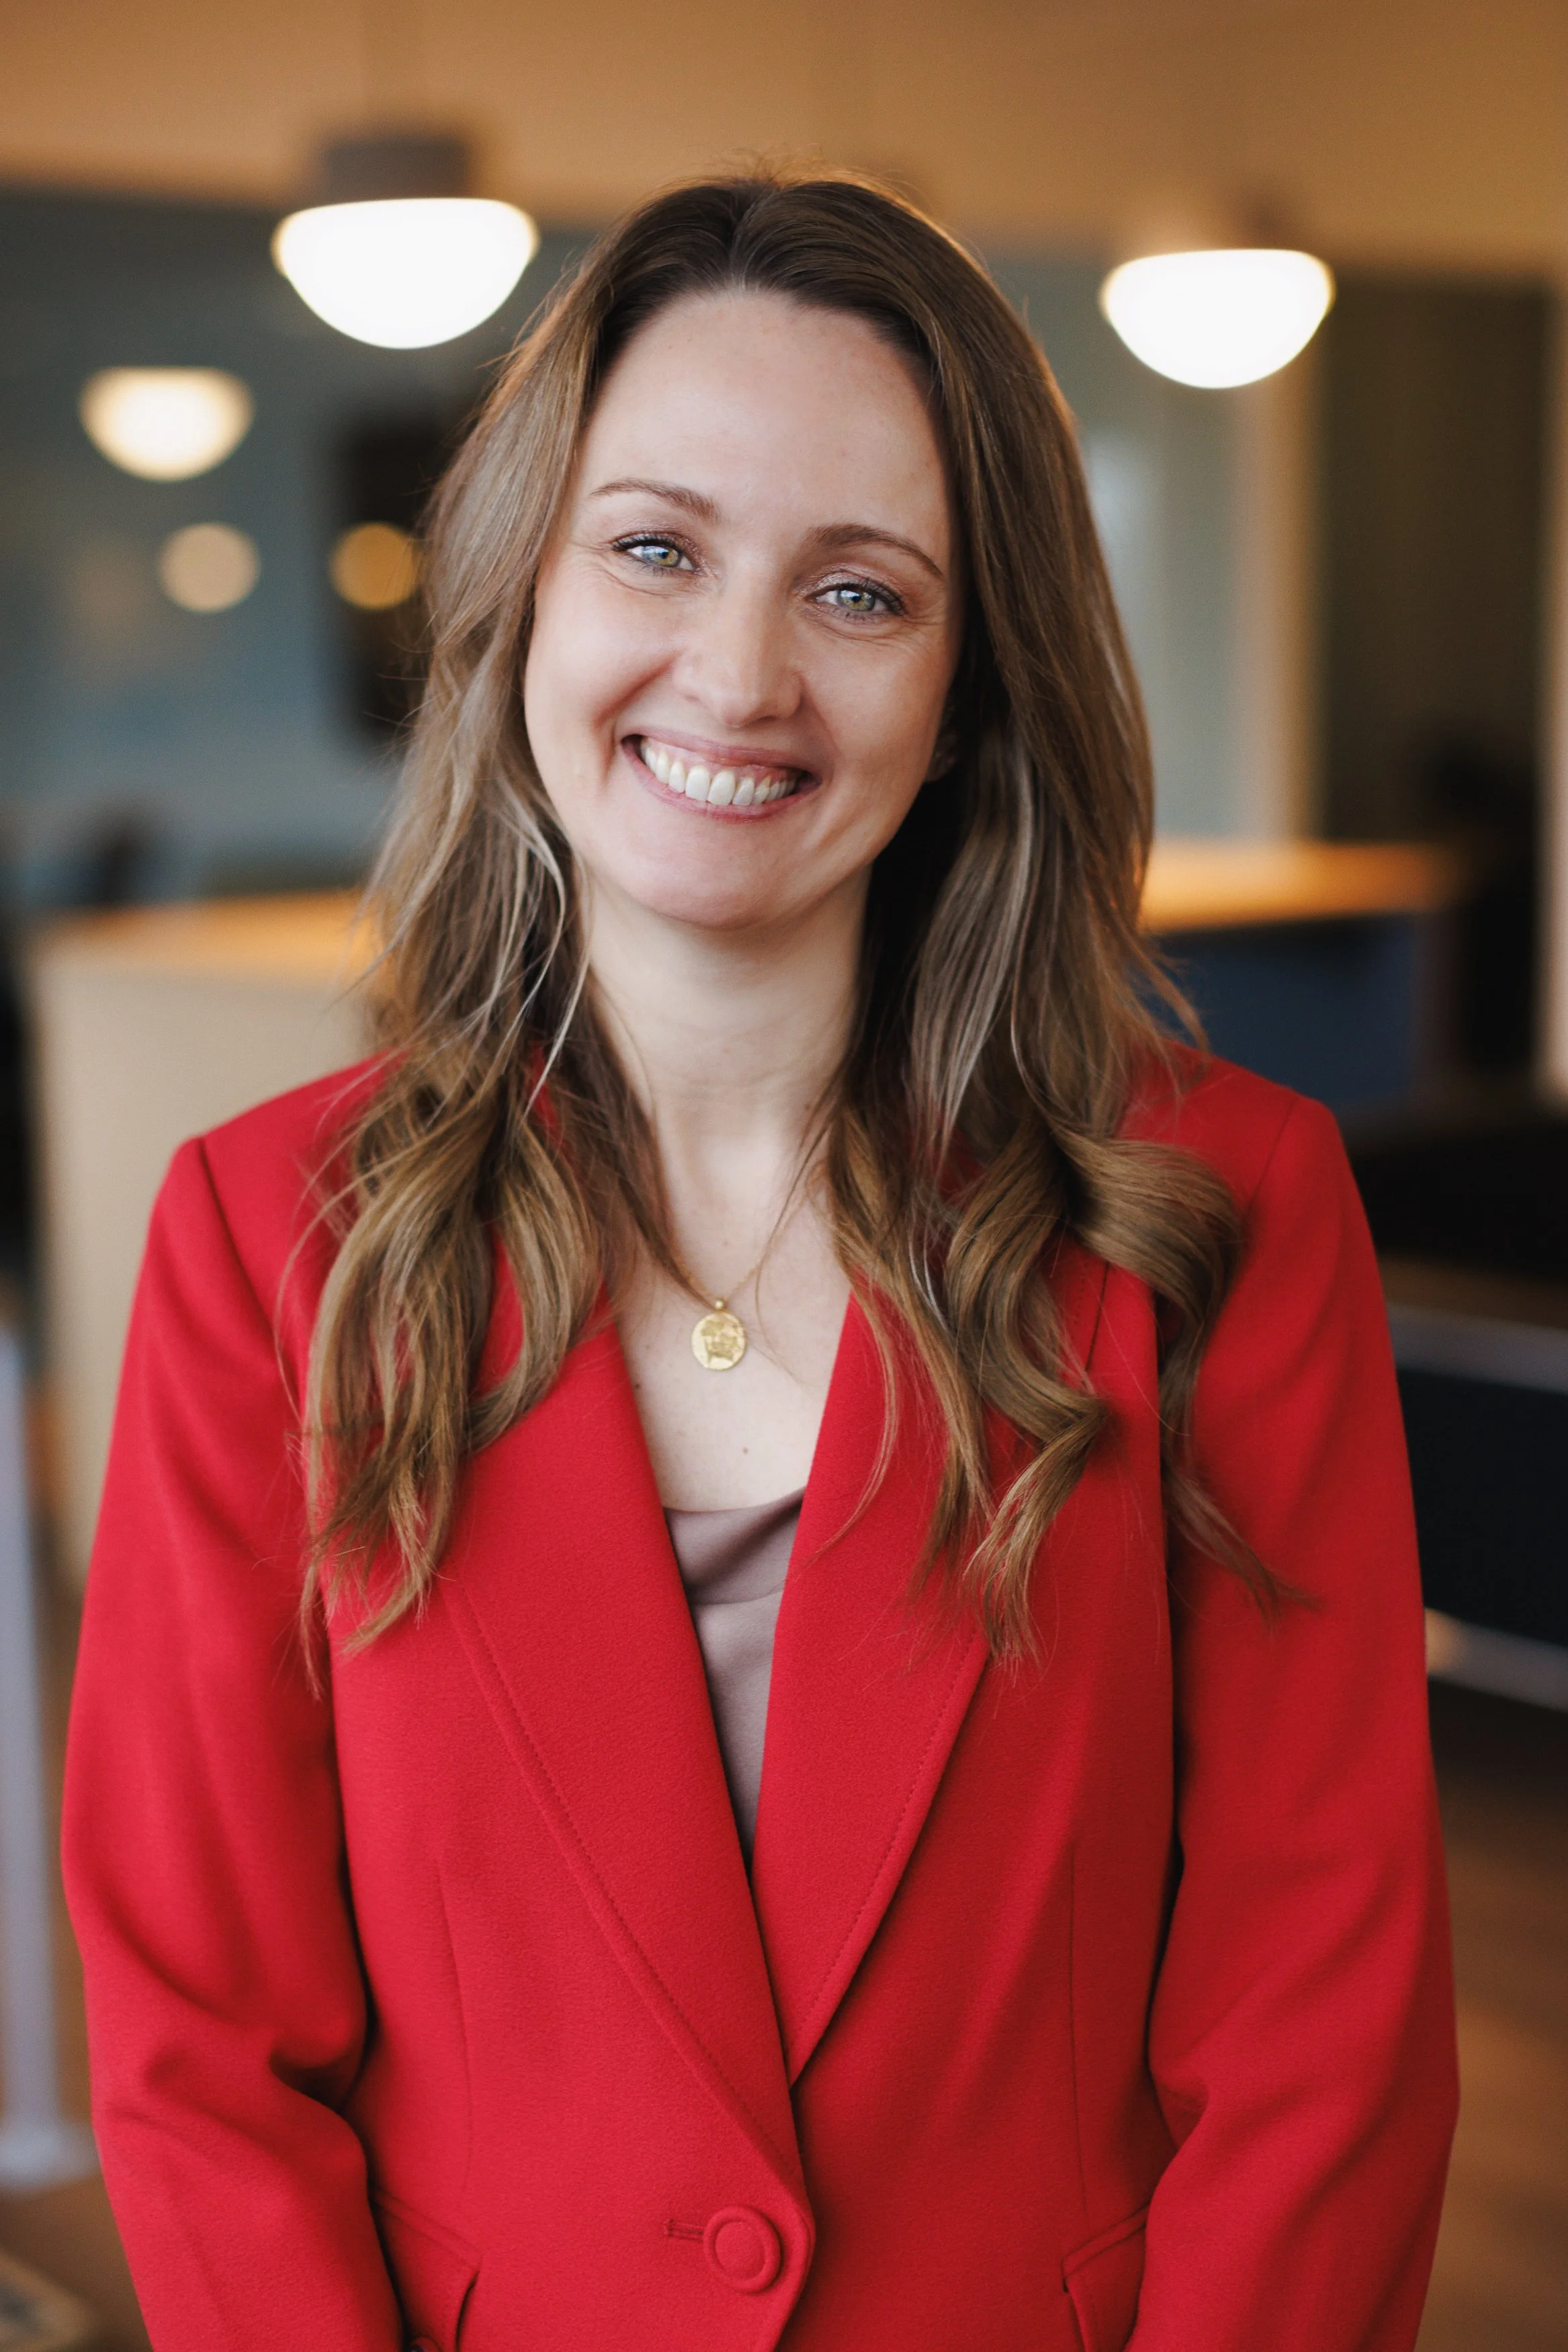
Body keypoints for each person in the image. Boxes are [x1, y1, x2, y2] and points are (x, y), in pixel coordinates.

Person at [62, 170, 1456, 2352]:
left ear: (972, 675)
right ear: (528, 583)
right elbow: (198, 2050)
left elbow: (1321, 2035)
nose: (736, 670)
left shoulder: (1225, 1221)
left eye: (862, 591)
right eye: (654, 545)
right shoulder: (267, 1241)